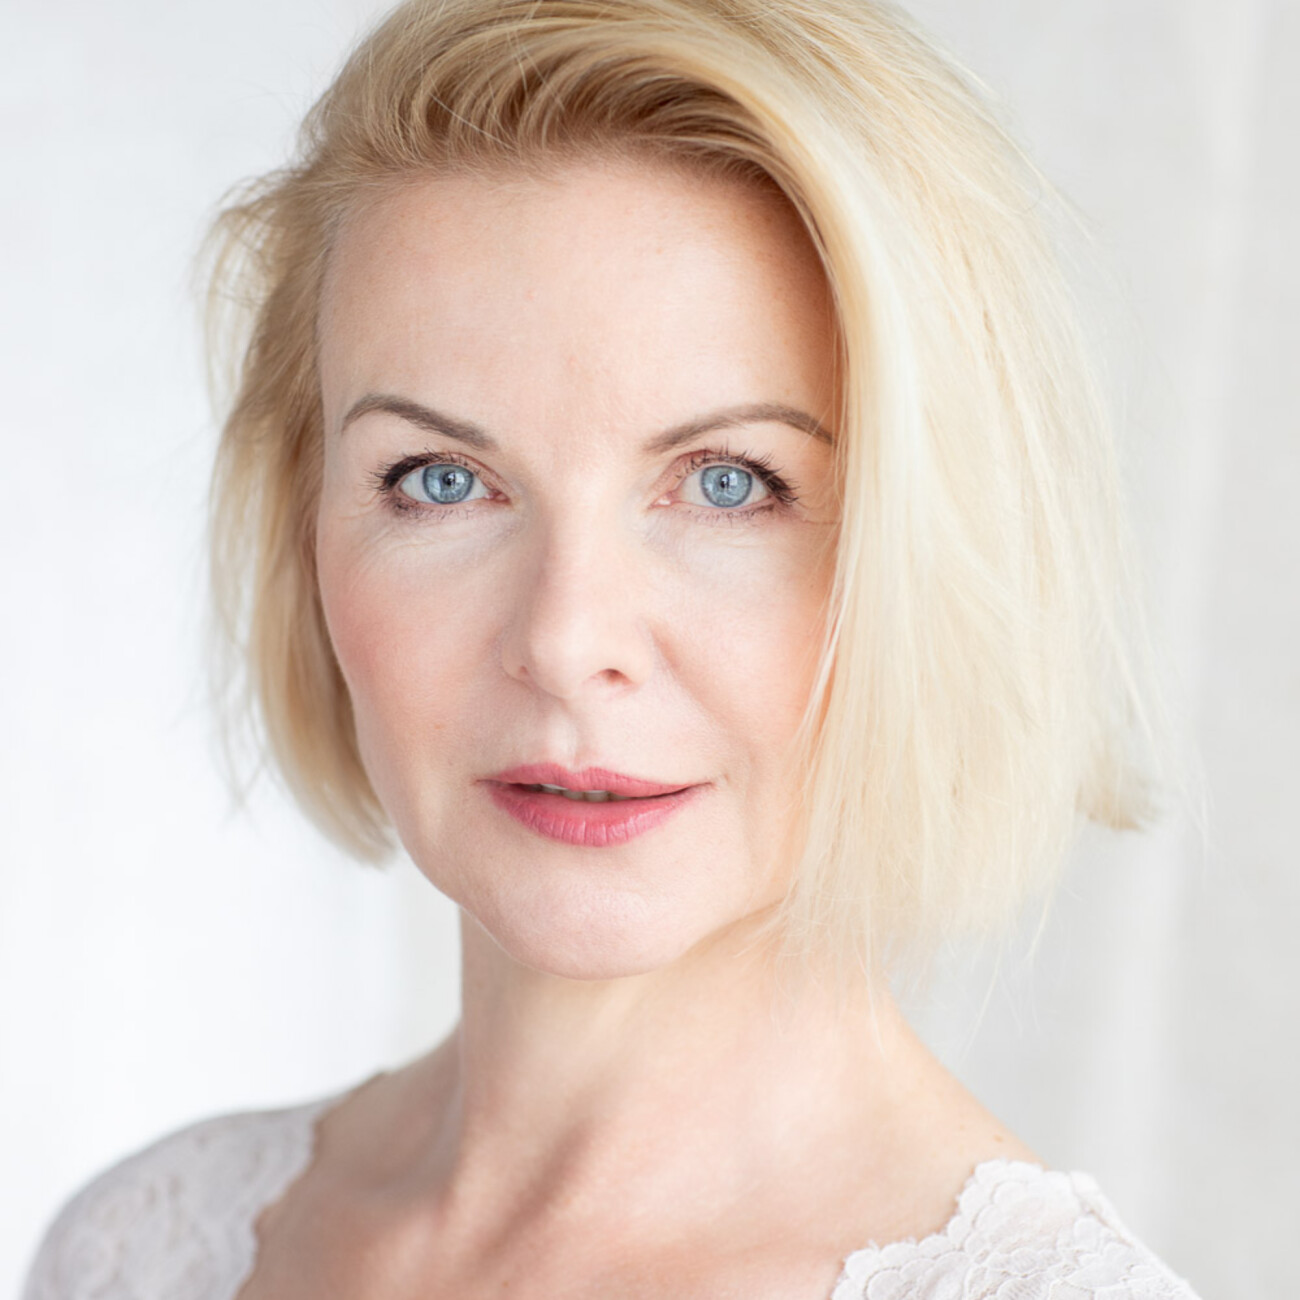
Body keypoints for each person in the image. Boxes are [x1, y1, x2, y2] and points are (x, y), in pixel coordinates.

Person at [22, 1, 1203, 1296]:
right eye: (440, 480)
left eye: (730, 485)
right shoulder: (137, 1251)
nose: (566, 640)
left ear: (937, 550)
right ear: (305, 532)